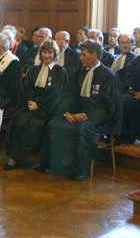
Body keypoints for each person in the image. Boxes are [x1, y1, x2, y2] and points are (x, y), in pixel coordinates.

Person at [39, 39, 122, 180]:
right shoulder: (80, 73)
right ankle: (53, 165)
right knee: (54, 123)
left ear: (94, 55)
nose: (80, 58)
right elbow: (69, 95)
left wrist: (87, 115)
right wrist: (67, 112)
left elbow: (110, 107)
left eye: (83, 55)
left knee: (82, 129)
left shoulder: (109, 76)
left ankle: (80, 169)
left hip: (100, 119)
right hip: (76, 115)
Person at [4, 40, 68, 170]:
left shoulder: (60, 71)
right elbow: (28, 88)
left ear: (55, 54)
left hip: (49, 107)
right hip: (31, 104)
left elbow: (57, 93)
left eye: (50, 52)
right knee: (16, 120)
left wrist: (39, 105)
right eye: (44, 52)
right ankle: (15, 157)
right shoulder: (34, 69)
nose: (46, 55)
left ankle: (25, 156)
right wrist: (31, 102)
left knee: (34, 123)